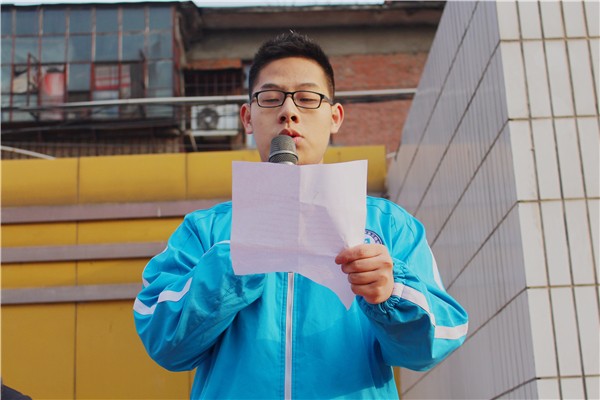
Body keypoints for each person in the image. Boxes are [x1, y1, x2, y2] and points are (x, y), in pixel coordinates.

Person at [134, 32, 468, 399]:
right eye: (270, 98)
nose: (288, 112)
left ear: (335, 117)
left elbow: (439, 339)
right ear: (247, 117)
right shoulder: (204, 230)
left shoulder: (389, 225)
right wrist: (234, 260)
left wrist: (391, 292)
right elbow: (161, 338)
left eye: (307, 98)